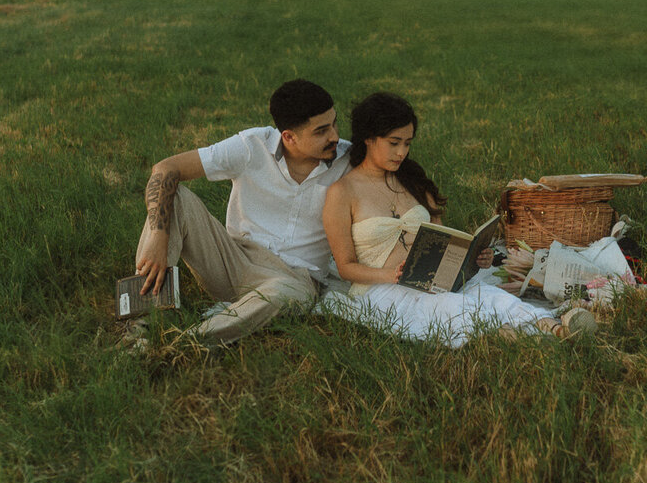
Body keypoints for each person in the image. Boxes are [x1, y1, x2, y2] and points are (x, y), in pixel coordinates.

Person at [321, 92, 595, 346]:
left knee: (489, 296)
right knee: (449, 308)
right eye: (393, 143)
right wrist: (390, 275)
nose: (402, 153)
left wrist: (474, 257)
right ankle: (523, 339)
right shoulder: (342, 192)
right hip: (381, 288)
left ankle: (555, 327)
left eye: (407, 143)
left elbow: (440, 238)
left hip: (433, 279)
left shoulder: (411, 179)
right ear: (368, 138)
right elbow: (345, 267)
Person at [132, 79, 351, 344]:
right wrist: (158, 236)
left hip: (294, 279)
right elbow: (165, 169)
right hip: (234, 259)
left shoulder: (347, 161)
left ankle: (188, 343)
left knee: (289, 294)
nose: (335, 136)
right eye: (321, 131)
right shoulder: (252, 145)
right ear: (289, 137)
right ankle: (140, 321)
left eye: (335, 123)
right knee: (174, 197)